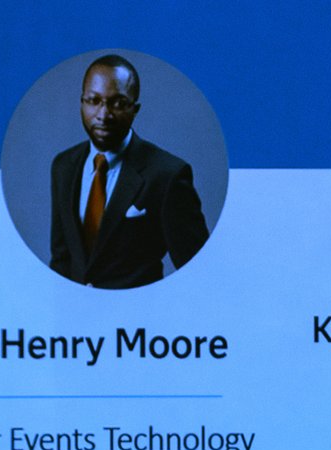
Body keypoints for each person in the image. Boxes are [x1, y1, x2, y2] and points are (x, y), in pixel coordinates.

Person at [46, 54, 210, 288]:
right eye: (93, 101)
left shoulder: (167, 174)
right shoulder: (63, 166)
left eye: (118, 103)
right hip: (76, 317)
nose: (103, 115)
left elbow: (198, 272)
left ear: (135, 109)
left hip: (139, 319)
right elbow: (62, 261)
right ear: (82, 102)